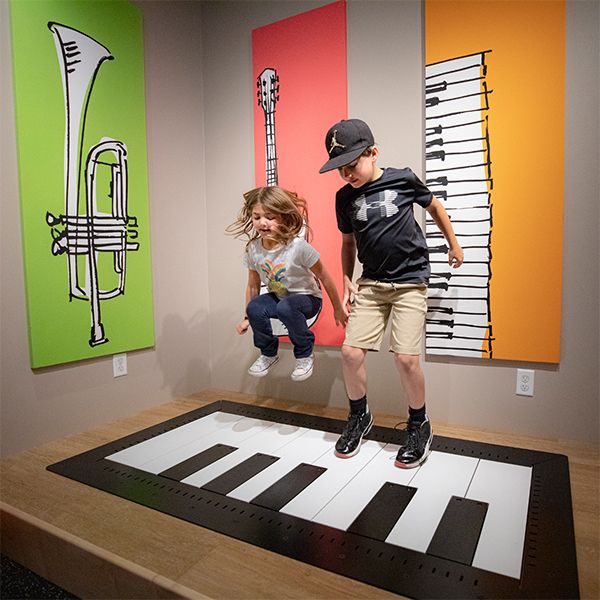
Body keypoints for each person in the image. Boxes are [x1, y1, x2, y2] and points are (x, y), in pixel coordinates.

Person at [319, 118, 464, 468]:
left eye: (352, 165)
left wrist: (453, 245)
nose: (347, 174)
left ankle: (419, 425)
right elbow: (348, 242)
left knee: (405, 359)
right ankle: (359, 416)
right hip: (372, 284)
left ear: (373, 152)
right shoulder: (344, 198)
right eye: (340, 169)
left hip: (411, 281)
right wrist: (346, 277)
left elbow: (435, 208)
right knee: (351, 354)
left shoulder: (403, 178)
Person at [228, 186, 347, 381]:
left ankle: (304, 354)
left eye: (270, 217)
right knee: (256, 308)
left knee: (286, 307)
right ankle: (268, 353)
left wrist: (337, 308)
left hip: (308, 299)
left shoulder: (298, 247)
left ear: (283, 216)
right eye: (257, 217)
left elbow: (325, 277)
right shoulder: (253, 249)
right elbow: (252, 285)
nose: (262, 223)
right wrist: (247, 317)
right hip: (279, 298)